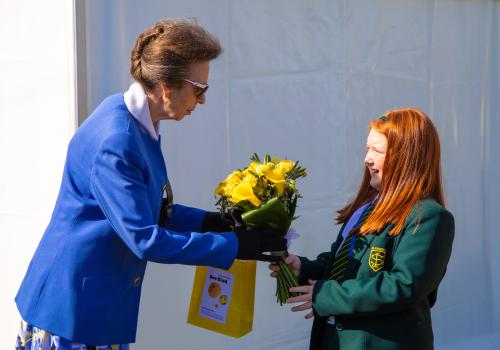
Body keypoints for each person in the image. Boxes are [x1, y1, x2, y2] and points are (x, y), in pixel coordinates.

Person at [15, 19, 286, 349]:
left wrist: (212, 222)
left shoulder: (132, 117)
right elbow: (145, 239)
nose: (202, 101)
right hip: (71, 309)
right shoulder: (117, 139)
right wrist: (234, 246)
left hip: (88, 300)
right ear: (166, 87)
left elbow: (148, 208)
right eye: (199, 89)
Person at [270, 108, 454, 350]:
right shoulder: (366, 209)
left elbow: (403, 286)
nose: (367, 158)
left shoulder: (430, 218)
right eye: (368, 149)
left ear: (407, 158)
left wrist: (328, 295)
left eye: (378, 150)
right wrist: (303, 267)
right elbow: (342, 264)